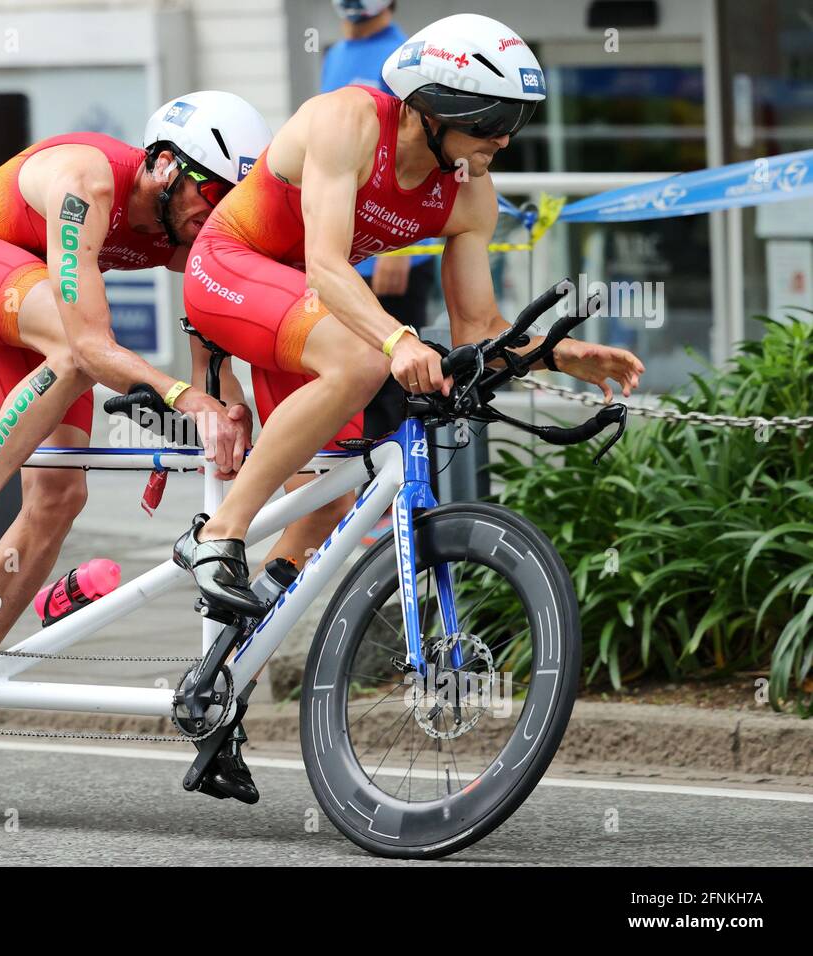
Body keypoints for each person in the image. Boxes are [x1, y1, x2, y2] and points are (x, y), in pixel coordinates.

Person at [175, 14, 644, 724]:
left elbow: (480, 329)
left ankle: (219, 691)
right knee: (364, 360)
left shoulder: (469, 191)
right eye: (492, 118)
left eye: (515, 120)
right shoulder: (346, 122)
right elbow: (329, 263)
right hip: (235, 270)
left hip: (307, 310)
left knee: (326, 503)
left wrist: (557, 351)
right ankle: (216, 535)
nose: (504, 137)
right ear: (432, 106)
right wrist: (396, 341)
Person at [0, 92, 271, 785]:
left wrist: (220, 406)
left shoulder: (182, 229)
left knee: (58, 498)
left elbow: (208, 323)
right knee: (78, 352)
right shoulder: (89, 181)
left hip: (36, 297)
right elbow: (88, 341)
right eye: (211, 191)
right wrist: (179, 396)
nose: (215, 211)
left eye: (231, 200)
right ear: (165, 166)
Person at [322, 0, 442, 452]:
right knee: (356, 382)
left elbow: (420, 152)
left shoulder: (405, 54)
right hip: (345, 256)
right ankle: (361, 509)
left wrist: (402, 248)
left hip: (392, 252)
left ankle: (407, 509)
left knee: (399, 386)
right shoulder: (335, 55)